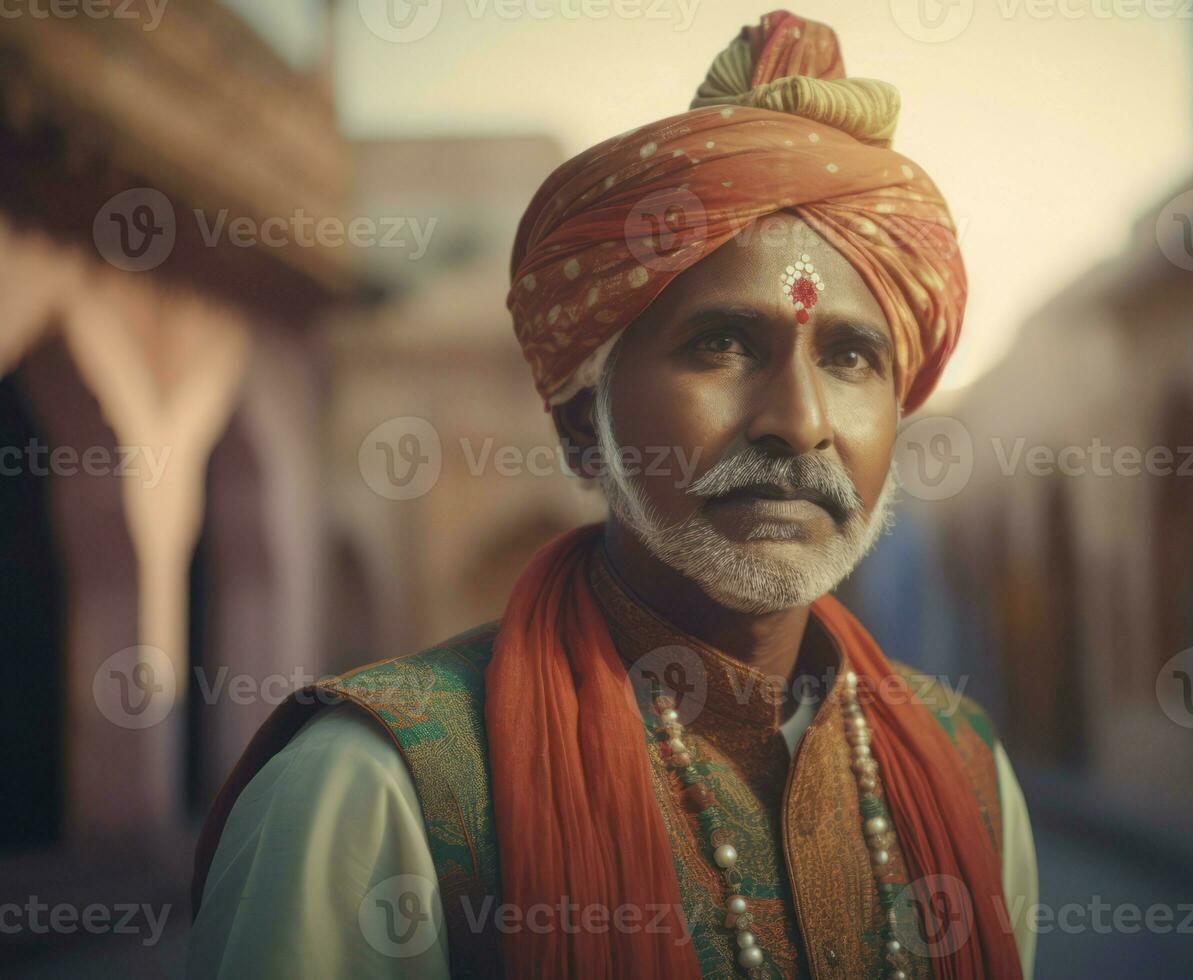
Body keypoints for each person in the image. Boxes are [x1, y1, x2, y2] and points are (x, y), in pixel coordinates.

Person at [189, 11, 1037, 979]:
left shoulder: (964, 770)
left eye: (851, 356)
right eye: (721, 344)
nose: (799, 421)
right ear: (580, 426)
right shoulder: (379, 788)